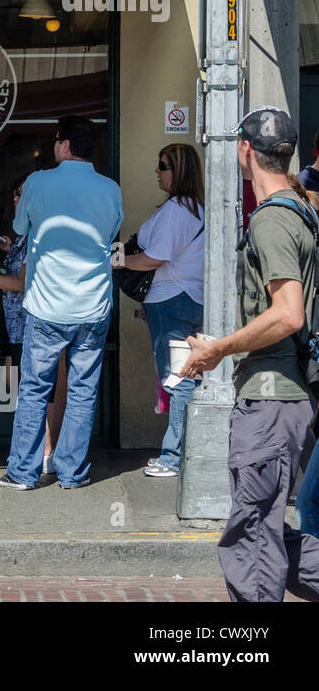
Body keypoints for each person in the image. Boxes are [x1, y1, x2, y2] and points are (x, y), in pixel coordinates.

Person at [182, 106, 319, 602]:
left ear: (245, 150)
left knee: (253, 537)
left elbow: (288, 314)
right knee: (263, 531)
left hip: (271, 399)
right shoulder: (300, 212)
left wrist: (220, 348)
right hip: (286, 398)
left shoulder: (273, 221)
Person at [0, 116, 123, 491]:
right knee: (84, 389)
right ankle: (71, 472)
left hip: (47, 305)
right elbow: (112, 232)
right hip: (93, 304)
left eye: (56, 140)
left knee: (35, 389)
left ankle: (23, 472)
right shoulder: (111, 188)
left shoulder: (38, 182)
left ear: (65, 144)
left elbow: (19, 228)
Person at [0, 174, 68, 476]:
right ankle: (38, 449)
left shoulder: (39, 232)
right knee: (20, 383)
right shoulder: (26, 234)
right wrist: (4, 262)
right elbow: (21, 274)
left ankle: (46, 451)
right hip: (16, 321)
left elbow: (24, 283)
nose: (15, 199)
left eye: (21, 194)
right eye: (14, 194)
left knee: (40, 388)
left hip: (35, 319)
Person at [118, 144, 205, 478]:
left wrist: (117, 261)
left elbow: (156, 257)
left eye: (162, 166)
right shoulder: (192, 207)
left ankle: (174, 456)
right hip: (181, 298)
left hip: (172, 300)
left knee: (178, 377)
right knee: (184, 375)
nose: (157, 171)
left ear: (179, 171)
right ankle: (181, 452)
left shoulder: (179, 209)